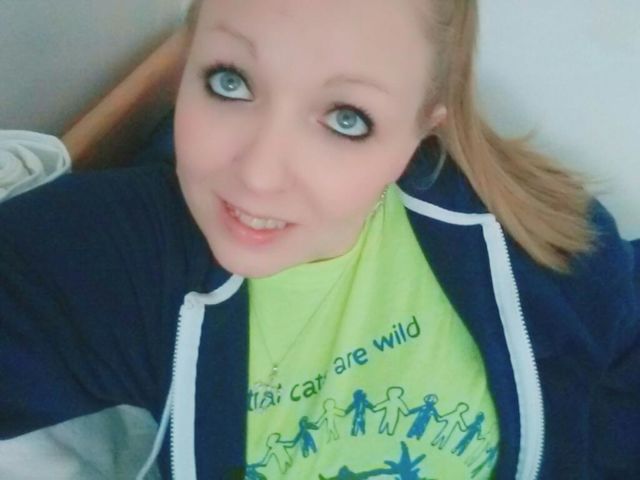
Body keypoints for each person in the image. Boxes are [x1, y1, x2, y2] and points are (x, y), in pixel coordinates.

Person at [1, 0, 639, 478]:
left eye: (346, 118)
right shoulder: (127, 257)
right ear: (187, 64)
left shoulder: (536, 245)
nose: (259, 174)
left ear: (422, 128)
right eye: (229, 81)